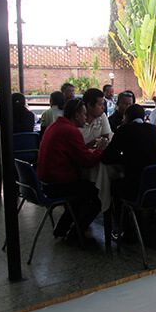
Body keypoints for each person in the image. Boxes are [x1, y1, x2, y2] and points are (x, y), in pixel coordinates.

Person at [37, 98, 107, 237]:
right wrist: (100, 149)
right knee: (98, 194)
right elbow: (87, 161)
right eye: (84, 114)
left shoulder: (55, 126)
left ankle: (62, 229)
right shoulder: (70, 131)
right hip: (57, 183)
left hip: (44, 181)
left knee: (81, 194)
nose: (86, 118)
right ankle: (76, 234)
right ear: (76, 115)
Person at [102, 104, 156, 199]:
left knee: (113, 183)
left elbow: (107, 157)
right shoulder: (153, 129)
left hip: (134, 186)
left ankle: (114, 212)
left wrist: (124, 159)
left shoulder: (124, 130)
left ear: (126, 117)